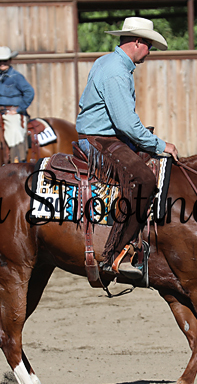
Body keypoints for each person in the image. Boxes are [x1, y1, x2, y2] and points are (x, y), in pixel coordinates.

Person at [75, 16, 180, 279]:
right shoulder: (116, 72)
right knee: (144, 179)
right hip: (102, 140)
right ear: (137, 42)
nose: (150, 52)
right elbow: (126, 123)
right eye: (149, 46)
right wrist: (160, 144)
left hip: (102, 135)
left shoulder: (106, 62)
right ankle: (117, 252)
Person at [0, 46, 35, 162]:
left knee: (14, 132)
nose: (2, 63)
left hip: (12, 113)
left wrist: (18, 109)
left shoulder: (17, 77)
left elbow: (29, 92)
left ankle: (17, 160)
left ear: (10, 61)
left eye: (4, 61)